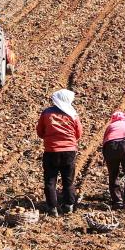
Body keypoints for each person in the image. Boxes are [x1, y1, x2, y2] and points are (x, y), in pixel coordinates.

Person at [36, 89, 83, 217]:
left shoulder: (46, 113)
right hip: (69, 152)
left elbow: (40, 131)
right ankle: (68, 206)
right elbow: (79, 133)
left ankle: (52, 208)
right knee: (68, 180)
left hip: (51, 151)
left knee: (50, 181)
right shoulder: (72, 114)